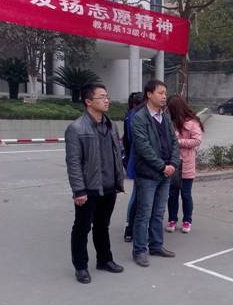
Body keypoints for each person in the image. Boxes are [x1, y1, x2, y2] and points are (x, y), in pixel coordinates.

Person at [65, 83, 125, 284]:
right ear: (88, 101)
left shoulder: (111, 126)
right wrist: (78, 190)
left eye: (107, 96)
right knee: (82, 228)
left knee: (102, 226)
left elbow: (116, 155)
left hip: (109, 186)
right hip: (88, 189)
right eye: (101, 97)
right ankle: (81, 266)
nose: (106, 100)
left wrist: (118, 180)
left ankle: (104, 260)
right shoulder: (76, 128)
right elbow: (73, 162)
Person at [131, 80, 180, 267]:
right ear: (149, 94)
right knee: (144, 213)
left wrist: (173, 164)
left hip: (166, 173)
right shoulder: (139, 118)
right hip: (148, 175)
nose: (164, 96)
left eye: (165, 93)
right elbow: (143, 148)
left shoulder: (165, 117)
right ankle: (139, 250)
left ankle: (156, 245)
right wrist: (162, 166)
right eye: (160, 93)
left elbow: (174, 142)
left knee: (159, 212)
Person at [165, 95, 204, 234]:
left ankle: (187, 220)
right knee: (172, 194)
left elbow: (197, 141)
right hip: (173, 163)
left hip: (186, 163)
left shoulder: (192, 123)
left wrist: (178, 141)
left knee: (186, 194)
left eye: (170, 109)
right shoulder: (169, 121)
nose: (168, 111)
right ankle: (172, 219)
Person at [122, 91, 144, 242]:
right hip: (137, 162)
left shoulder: (130, 115)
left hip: (134, 161)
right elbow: (133, 140)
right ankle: (130, 227)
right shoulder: (135, 116)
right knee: (137, 196)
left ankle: (132, 227)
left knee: (138, 196)